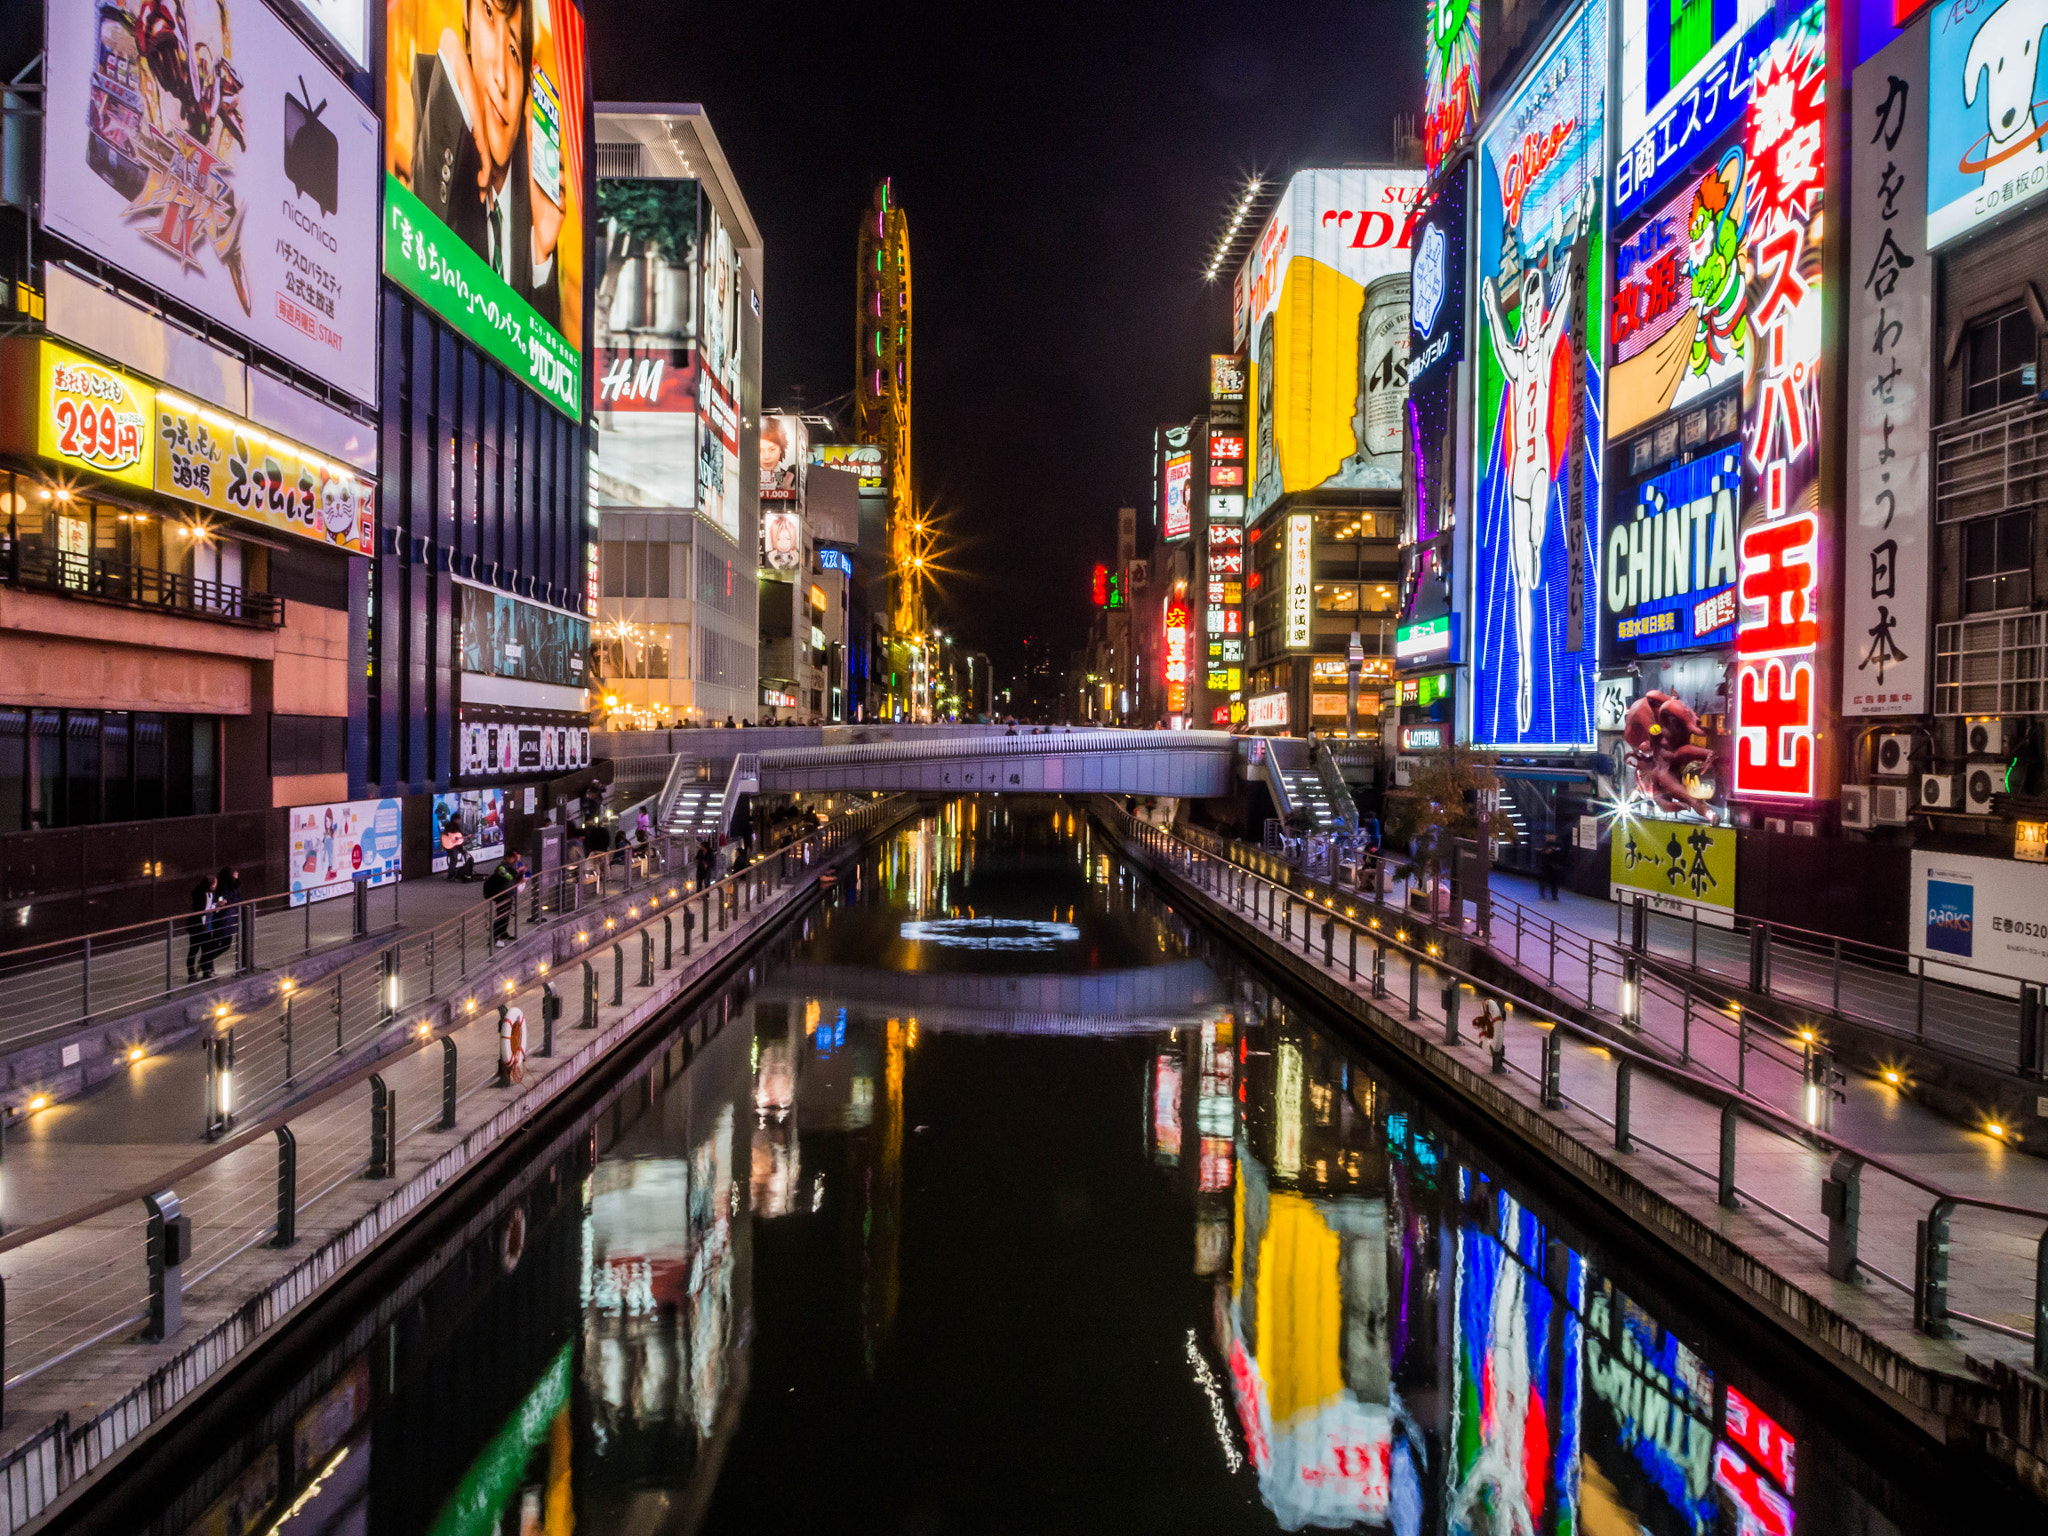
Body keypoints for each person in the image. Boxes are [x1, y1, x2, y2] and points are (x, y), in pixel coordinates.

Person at [406, 0, 564, 331]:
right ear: (466, 15)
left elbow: (544, 367)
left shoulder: (534, 198)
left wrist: (542, 252)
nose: (501, 79)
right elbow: (416, 274)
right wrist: (452, 63)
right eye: (489, 15)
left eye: (515, 53)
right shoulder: (432, 102)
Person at [187, 873, 217, 982]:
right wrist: (214, 907)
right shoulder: (201, 894)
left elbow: (208, 908)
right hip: (198, 926)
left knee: (206, 949)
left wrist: (216, 906)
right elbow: (202, 910)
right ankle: (191, 973)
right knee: (194, 949)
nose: (215, 886)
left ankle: (206, 971)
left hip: (206, 925)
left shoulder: (210, 894)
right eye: (214, 884)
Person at [482, 854, 519, 946]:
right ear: (507, 857)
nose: (513, 859)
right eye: (512, 857)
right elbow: (507, 876)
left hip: (508, 894)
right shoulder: (501, 868)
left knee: (506, 914)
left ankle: (503, 932)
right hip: (502, 895)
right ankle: (494, 937)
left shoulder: (511, 866)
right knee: (501, 915)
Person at [1538, 835, 1566, 901]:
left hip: (1552, 867)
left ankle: (1553, 895)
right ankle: (1546, 894)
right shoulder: (1546, 845)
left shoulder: (1557, 845)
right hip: (1547, 866)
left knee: (1552, 882)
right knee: (1547, 881)